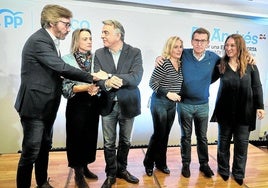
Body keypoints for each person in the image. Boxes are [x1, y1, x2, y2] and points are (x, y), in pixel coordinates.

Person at [14, 5, 107, 188]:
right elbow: (62, 68)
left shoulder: (48, 42)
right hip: (34, 107)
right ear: (52, 23)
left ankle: (42, 183)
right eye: (65, 24)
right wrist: (92, 77)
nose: (68, 28)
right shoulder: (39, 41)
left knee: (43, 149)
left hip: (46, 107)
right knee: (31, 152)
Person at [156, 28, 219, 178]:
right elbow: (169, 55)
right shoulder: (183, 54)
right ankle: (186, 164)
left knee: (202, 137)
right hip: (184, 104)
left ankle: (204, 164)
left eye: (203, 41)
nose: (199, 43)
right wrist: (158, 57)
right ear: (192, 41)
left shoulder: (214, 58)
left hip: (203, 105)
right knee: (186, 137)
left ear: (208, 43)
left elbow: (221, 71)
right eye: (196, 40)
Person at [94, 20, 143, 188]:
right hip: (107, 104)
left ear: (118, 35)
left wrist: (109, 76)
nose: (102, 36)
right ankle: (111, 173)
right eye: (102, 32)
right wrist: (106, 81)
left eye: (106, 32)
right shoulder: (99, 53)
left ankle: (122, 169)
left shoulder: (135, 52)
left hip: (128, 104)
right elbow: (97, 79)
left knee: (125, 141)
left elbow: (136, 78)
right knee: (108, 143)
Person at [210, 34, 265, 186]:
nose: (228, 48)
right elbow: (205, 78)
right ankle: (223, 170)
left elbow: (257, 87)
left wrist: (260, 106)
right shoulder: (221, 64)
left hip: (244, 112)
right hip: (224, 112)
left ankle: (239, 173)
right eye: (227, 45)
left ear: (240, 46)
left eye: (232, 45)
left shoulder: (251, 65)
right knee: (223, 144)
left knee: (242, 146)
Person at [62, 28, 100, 188]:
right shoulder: (66, 59)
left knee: (90, 137)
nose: (89, 41)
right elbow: (65, 86)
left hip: (94, 102)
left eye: (90, 38)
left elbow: (103, 77)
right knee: (76, 137)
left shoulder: (97, 59)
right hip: (77, 103)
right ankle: (78, 173)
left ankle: (85, 167)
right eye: (85, 38)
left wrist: (97, 87)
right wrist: (86, 88)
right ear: (76, 41)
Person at [143, 36, 184, 177]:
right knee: (159, 133)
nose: (178, 50)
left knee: (165, 134)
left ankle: (161, 163)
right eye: (175, 47)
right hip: (159, 102)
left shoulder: (182, 63)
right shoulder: (164, 63)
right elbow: (152, 83)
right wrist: (168, 94)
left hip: (172, 105)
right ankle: (148, 162)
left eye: (180, 46)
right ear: (169, 48)